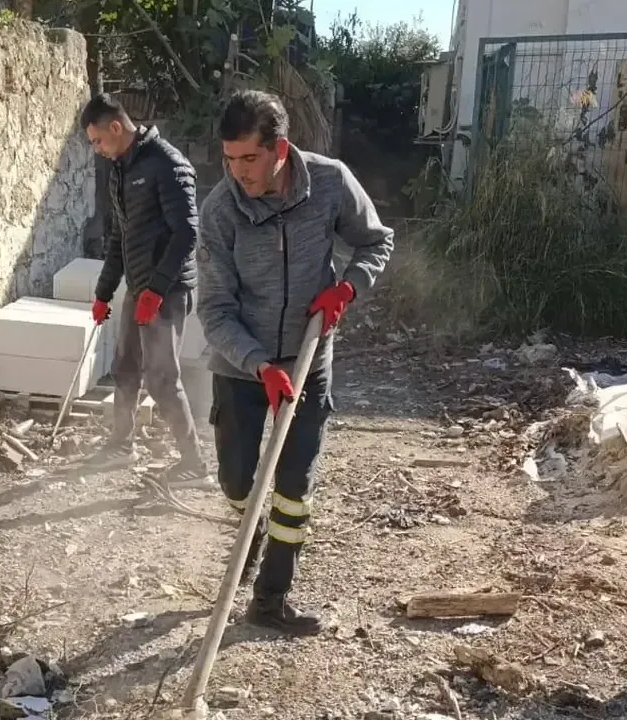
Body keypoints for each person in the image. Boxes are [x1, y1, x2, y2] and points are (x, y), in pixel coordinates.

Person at [196, 90, 394, 635]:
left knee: (293, 486)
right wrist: (260, 364)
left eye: (250, 159)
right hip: (242, 368)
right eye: (230, 159)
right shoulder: (219, 212)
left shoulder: (329, 183)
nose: (239, 173)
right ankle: (247, 529)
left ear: (280, 148)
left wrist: (347, 289)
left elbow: (376, 241)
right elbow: (213, 310)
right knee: (238, 482)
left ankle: (271, 598)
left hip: (307, 360)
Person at [79, 93, 209, 484]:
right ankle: (121, 444)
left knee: (161, 379)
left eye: (97, 141)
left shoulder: (167, 164)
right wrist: (104, 292)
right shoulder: (121, 168)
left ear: (116, 127)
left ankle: (194, 464)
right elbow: (120, 236)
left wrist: (156, 289)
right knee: (126, 368)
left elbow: (187, 232)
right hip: (139, 285)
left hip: (167, 290)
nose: (97, 150)